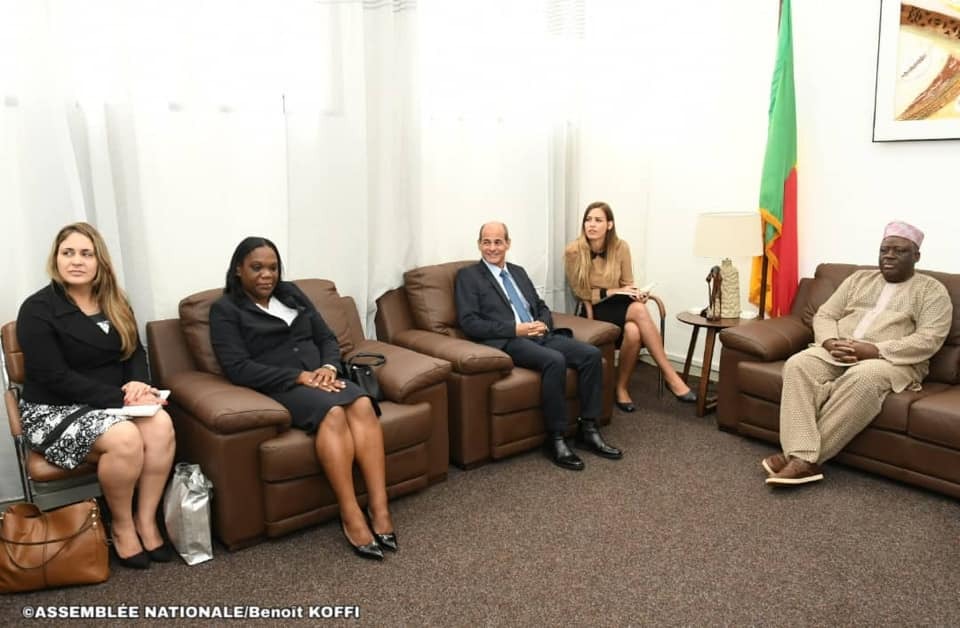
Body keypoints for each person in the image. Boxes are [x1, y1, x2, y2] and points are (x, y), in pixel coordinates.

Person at [208, 237, 395, 560]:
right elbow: (237, 368)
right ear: (238, 270)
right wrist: (299, 377)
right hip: (282, 385)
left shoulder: (291, 293)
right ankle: (350, 512)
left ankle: (379, 507)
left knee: (363, 404)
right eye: (257, 268)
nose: (267, 275)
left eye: (272, 268)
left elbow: (326, 338)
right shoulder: (225, 310)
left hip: (323, 377)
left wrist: (328, 367)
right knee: (333, 414)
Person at [16, 222, 176, 569]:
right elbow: (54, 377)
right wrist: (122, 398)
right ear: (56, 259)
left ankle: (146, 520)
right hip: (53, 409)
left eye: (86, 254)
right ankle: (122, 525)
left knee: (161, 425)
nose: (77, 261)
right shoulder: (37, 309)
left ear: (99, 261)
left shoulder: (115, 300)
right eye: (68, 252)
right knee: (125, 439)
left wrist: (138, 384)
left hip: (109, 404)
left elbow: (134, 352)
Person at [763, 220, 952, 487]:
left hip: (891, 361)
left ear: (916, 256)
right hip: (838, 351)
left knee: (864, 377)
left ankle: (800, 458)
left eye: (899, 251)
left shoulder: (932, 291)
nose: (889, 256)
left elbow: (929, 339)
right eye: (884, 250)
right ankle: (801, 457)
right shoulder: (858, 279)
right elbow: (825, 314)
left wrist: (875, 350)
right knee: (798, 364)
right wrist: (830, 342)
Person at [454, 221, 623, 471]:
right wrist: (515, 329)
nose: (492, 248)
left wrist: (543, 323)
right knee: (554, 360)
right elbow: (469, 323)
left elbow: (540, 305)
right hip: (509, 340)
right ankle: (556, 438)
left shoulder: (518, 272)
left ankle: (588, 428)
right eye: (486, 242)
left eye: (498, 242)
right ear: (479, 244)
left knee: (591, 355)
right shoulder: (468, 277)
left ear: (508, 244)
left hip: (539, 333)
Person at [564, 202, 696, 412]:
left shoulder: (621, 247)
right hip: (593, 308)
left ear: (609, 224)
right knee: (638, 311)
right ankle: (671, 376)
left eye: (598, 220)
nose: (591, 225)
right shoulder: (573, 251)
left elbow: (627, 283)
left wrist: (636, 293)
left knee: (634, 330)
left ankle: (621, 387)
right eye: (588, 220)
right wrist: (611, 291)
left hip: (619, 303)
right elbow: (580, 292)